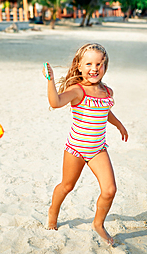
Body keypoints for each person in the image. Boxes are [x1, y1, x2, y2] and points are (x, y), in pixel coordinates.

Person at [42, 43, 128, 246]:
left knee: (110, 190)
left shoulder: (107, 91)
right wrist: (51, 81)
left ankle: (98, 224)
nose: (94, 68)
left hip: (98, 149)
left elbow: (105, 112)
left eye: (99, 64)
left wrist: (119, 125)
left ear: (105, 66)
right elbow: (55, 103)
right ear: (79, 66)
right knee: (67, 186)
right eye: (88, 63)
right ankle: (53, 212)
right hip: (76, 150)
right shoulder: (77, 90)